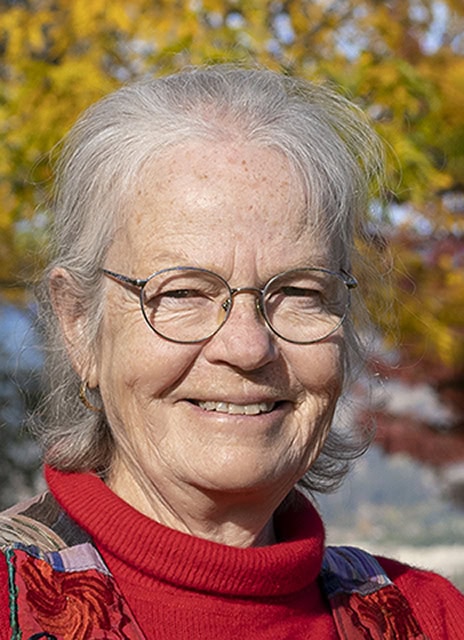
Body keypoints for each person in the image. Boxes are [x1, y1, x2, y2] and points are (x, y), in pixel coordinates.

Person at [0, 65, 462, 639]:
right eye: (185, 292)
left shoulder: (430, 620)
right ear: (78, 325)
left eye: (297, 291)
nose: (247, 346)